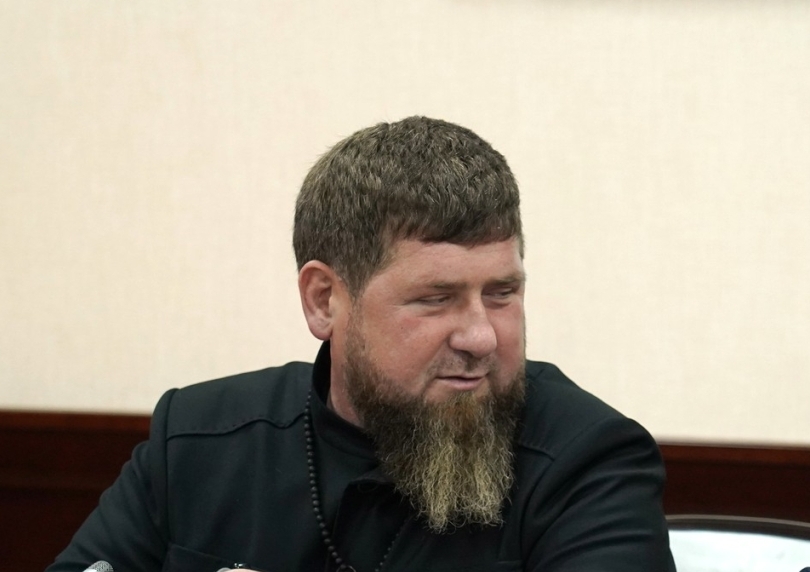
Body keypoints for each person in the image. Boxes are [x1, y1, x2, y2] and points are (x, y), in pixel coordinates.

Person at [47, 117, 675, 572]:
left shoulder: (589, 461)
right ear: (325, 300)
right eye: (435, 298)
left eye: (502, 293)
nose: (481, 335)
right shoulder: (195, 441)